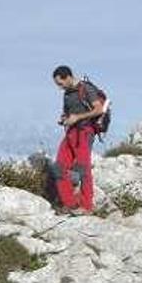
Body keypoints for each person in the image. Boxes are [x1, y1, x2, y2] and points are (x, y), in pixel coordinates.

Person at [51, 65, 105, 215]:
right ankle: (70, 204)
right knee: (59, 167)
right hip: (70, 133)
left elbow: (98, 109)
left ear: (68, 77)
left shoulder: (86, 89)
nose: (59, 87)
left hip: (85, 132)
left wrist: (78, 117)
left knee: (83, 168)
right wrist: (65, 119)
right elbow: (68, 113)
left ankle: (87, 205)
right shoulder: (67, 94)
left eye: (60, 83)